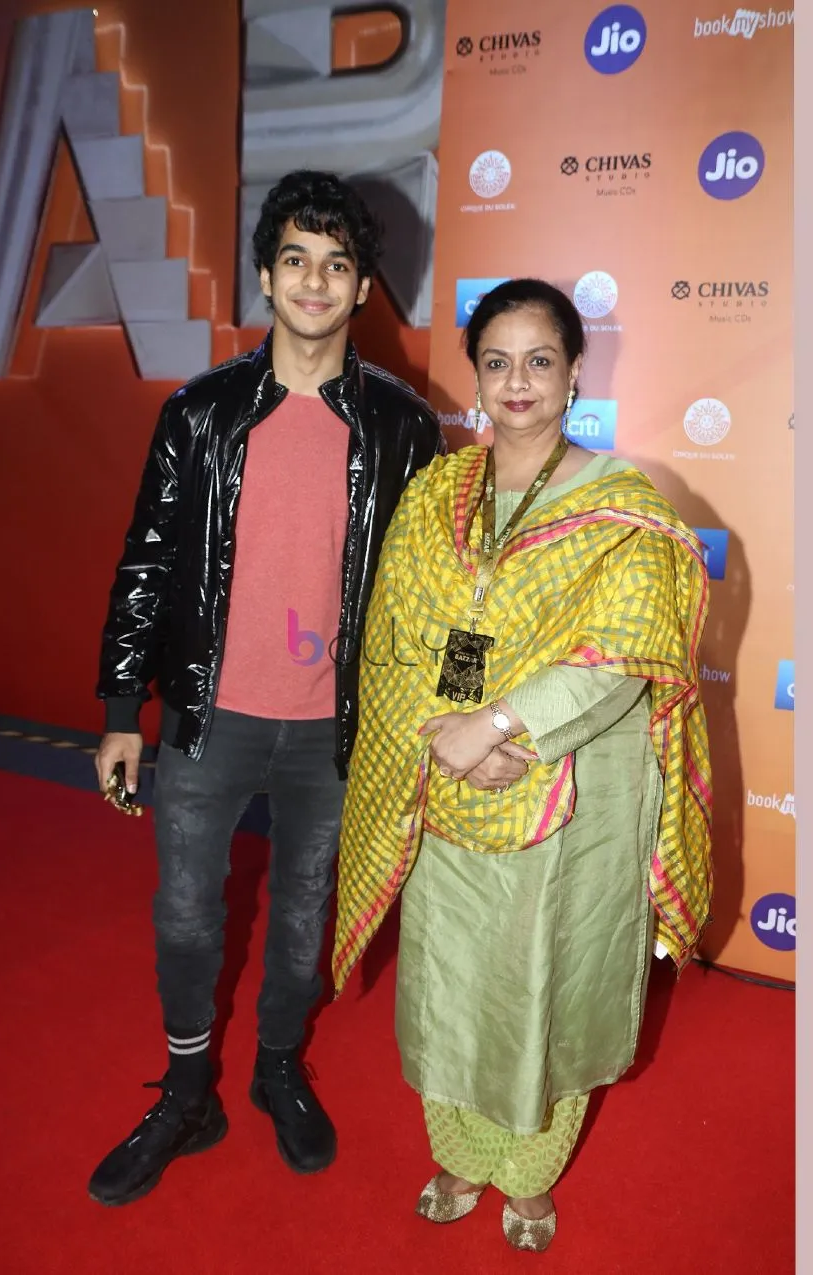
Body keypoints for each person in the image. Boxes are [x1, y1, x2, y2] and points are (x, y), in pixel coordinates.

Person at [332, 279, 712, 1252]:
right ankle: (460, 1154)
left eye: (538, 360)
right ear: (475, 376)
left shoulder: (623, 509)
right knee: (453, 981)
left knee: (551, 984)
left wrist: (501, 726)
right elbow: (431, 631)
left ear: (575, 371)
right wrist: (452, 729)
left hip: (574, 796)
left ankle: (531, 1174)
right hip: (455, 788)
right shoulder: (443, 495)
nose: (516, 382)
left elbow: (622, 658)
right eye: (496, 361)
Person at [88, 170, 444, 1207]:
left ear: (363, 285)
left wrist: (435, 711)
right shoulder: (197, 414)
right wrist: (122, 710)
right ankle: (190, 1086)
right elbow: (147, 561)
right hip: (210, 716)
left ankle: (278, 1064)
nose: (315, 281)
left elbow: (433, 587)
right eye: (296, 259)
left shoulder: (402, 427)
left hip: (338, 732)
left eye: (337, 263)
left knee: (301, 919)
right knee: (189, 917)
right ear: (263, 273)